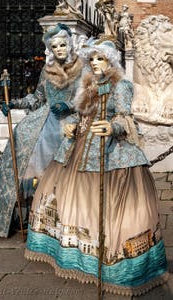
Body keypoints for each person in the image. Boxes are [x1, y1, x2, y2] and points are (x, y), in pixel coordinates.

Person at [25, 39, 168, 296]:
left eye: (99, 59)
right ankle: (80, 260)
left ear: (111, 61)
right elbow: (79, 115)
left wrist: (113, 127)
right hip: (78, 148)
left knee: (117, 211)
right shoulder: (88, 85)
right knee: (66, 199)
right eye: (91, 60)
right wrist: (69, 125)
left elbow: (127, 117)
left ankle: (116, 266)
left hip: (111, 153)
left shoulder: (121, 85)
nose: (94, 64)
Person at [0, 23, 83, 238]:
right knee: (23, 140)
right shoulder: (46, 72)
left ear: (70, 44)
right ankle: (31, 215)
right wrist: (13, 104)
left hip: (70, 122)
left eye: (63, 45)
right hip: (44, 121)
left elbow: (90, 98)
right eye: (54, 46)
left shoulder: (82, 69)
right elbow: (37, 99)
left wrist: (71, 105)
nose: (59, 49)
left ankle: (66, 221)